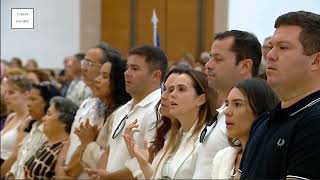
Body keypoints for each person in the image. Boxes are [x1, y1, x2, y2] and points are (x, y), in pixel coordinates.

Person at [240, 11, 320, 179]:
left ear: (316, 61)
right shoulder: (262, 122)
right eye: (271, 47)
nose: (269, 55)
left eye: (283, 48)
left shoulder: (315, 122)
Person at [85, 45, 168, 179]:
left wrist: (110, 177)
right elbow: (109, 150)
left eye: (135, 68)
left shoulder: (159, 109)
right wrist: (101, 174)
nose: (127, 73)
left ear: (156, 75)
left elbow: (148, 162)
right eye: (127, 67)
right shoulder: (122, 110)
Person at [122, 69, 219, 179]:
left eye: (181, 89)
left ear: (200, 99)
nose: (172, 95)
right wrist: (140, 161)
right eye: (169, 89)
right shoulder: (173, 137)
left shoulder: (207, 140)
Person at [194, 30, 262, 179]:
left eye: (218, 59)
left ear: (245, 66)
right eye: (210, 57)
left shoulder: (253, 116)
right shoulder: (222, 111)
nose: (208, 65)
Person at [57, 48, 131, 178]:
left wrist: (69, 174)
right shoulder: (88, 103)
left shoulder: (118, 115)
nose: (97, 80)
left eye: (104, 76)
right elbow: (70, 140)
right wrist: (60, 168)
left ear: (117, 82)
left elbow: (94, 151)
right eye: (84, 62)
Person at [211, 78, 278, 179]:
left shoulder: (273, 157)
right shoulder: (222, 157)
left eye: (237, 104)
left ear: (260, 110)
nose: (226, 112)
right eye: (227, 104)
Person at [3, 82, 61, 179]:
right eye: (28, 99)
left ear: (48, 103)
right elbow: (20, 159)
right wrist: (11, 175)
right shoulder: (33, 125)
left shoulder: (50, 132)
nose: (28, 104)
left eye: (33, 99)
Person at [24, 96, 78, 179]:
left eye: (49, 114)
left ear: (63, 122)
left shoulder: (65, 148)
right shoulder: (48, 142)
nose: (43, 118)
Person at [0, 77, 32, 166]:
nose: (6, 97)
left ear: (26, 94)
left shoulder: (28, 120)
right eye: (5, 92)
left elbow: (16, 155)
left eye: (11, 93)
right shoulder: (11, 116)